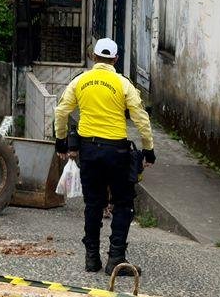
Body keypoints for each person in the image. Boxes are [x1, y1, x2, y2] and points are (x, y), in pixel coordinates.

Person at [53, 37, 156, 274]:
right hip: (117, 152)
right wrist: (148, 149)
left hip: (89, 151)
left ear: (93, 58)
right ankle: (116, 260)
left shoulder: (80, 81)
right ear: (116, 59)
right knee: (123, 203)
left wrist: (61, 142)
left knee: (93, 204)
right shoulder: (123, 84)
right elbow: (141, 117)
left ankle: (91, 259)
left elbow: (61, 112)